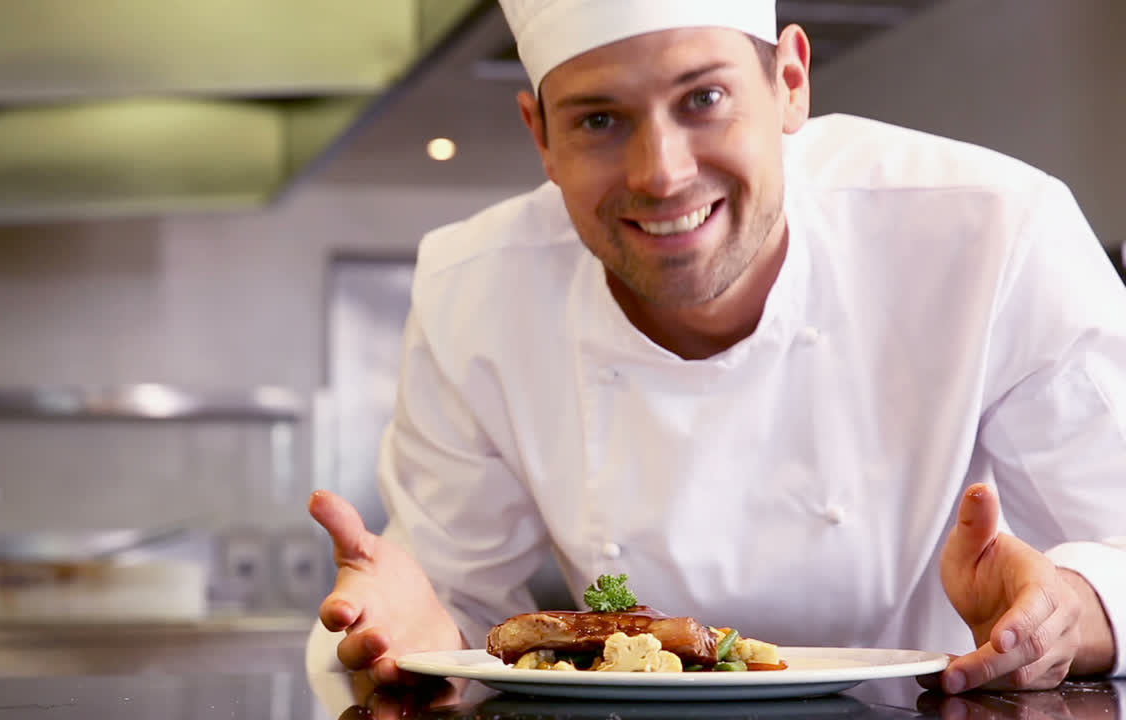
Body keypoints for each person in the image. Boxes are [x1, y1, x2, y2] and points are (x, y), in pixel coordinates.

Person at [308, 0, 1125, 695]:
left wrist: (1070, 614)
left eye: (702, 99)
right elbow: (450, 607)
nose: (660, 173)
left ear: (790, 85)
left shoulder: (997, 232)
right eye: (599, 119)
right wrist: (414, 634)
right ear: (541, 138)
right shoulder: (474, 292)